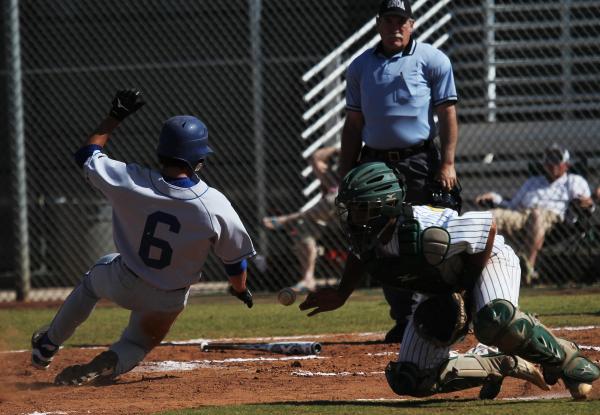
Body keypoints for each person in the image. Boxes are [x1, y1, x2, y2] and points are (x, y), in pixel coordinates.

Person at [300, 162, 600, 400]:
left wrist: (467, 289)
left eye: (359, 209)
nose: (351, 218)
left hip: (487, 260)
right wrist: (341, 293)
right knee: (411, 378)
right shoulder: (371, 236)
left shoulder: (424, 229)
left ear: (385, 205)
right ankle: (494, 363)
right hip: (445, 284)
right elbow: (358, 254)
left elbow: (488, 227)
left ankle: (567, 360)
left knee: (493, 319)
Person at [31, 89, 256, 386]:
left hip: (124, 280)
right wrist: (239, 290)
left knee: (91, 282)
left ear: (161, 151)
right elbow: (234, 262)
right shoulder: (215, 204)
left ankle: (48, 343)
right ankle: (112, 361)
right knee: (138, 343)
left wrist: (114, 117)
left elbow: (86, 155)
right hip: (169, 298)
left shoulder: (130, 181)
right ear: (200, 158)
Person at [338, 0, 461, 342]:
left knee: (424, 236)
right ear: (378, 23)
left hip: (419, 160)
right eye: (389, 20)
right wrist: (345, 172)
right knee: (382, 240)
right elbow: (353, 124)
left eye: (401, 21)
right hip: (375, 163)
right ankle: (404, 318)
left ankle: (440, 312)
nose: (395, 27)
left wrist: (448, 162)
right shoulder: (360, 66)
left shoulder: (433, 60)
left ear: (412, 24)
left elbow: (448, 114)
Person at [475, 144, 594, 284]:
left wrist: (587, 204)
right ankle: (478, 267)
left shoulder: (574, 181)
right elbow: (512, 206)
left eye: (556, 159)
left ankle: (528, 268)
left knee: (536, 214)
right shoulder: (533, 182)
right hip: (521, 215)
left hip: (552, 220)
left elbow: (587, 205)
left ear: (566, 164)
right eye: (548, 159)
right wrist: (495, 198)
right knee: (489, 216)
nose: (551, 163)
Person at [262, 146, 341, 292]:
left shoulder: (360, 173)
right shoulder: (331, 178)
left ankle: (286, 220)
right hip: (328, 218)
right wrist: (338, 149)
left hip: (354, 217)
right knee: (303, 226)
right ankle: (308, 279)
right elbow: (316, 157)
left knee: (335, 199)